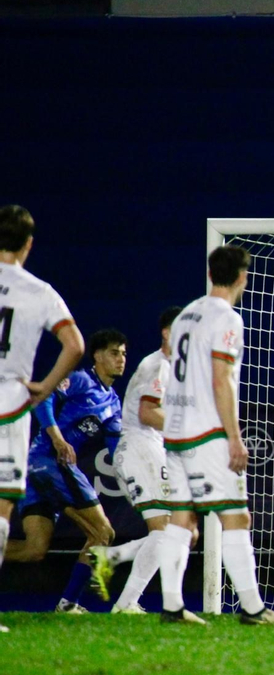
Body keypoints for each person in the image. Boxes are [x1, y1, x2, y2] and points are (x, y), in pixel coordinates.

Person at [159, 245, 274, 626]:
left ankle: (172, 606)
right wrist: (234, 438)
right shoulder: (228, 319)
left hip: (176, 430)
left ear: (210, 274)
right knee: (236, 517)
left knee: (181, 517)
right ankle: (253, 609)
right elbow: (221, 380)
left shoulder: (187, 314)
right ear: (242, 277)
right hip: (207, 432)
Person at [0, 205, 87, 630]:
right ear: (29, 244)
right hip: (9, 405)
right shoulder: (38, 291)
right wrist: (45, 386)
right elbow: (74, 345)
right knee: (2, 506)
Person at [5, 329, 126, 612]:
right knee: (103, 532)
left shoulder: (112, 403)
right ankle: (69, 604)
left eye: (123, 354)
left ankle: (68, 603)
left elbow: (115, 450)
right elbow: (42, 399)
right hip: (49, 461)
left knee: (34, 550)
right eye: (114, 353)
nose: (121, 359)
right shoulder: (81, 380)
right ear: (97, 356)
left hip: (37, 470)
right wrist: (58, 439)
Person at [92, 305, 183, 612]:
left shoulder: (171, 367)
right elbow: (148, 412)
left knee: (178, 530)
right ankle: (126, 602)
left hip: (148, 448)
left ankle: (112, 557)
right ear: (167, 333)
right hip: (139, 448)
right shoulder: (158, 365)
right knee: (166, 529)